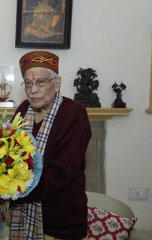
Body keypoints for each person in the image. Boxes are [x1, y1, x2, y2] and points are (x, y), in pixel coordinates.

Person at [8, 51, 92, 240]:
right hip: (22, 219)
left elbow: (61, 174)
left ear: (57, 83)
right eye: (28, 83)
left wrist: (11, 192)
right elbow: (9, 157)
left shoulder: (74, 114)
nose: (33, 90)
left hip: (62, 224)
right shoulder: (22, 110)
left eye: (41, 82)